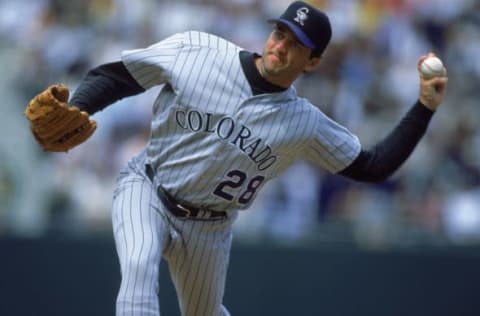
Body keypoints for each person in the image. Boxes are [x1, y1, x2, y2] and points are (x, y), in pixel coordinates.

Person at [63, 1, 447, 315]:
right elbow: (119, 76)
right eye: (279, 33)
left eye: (294, 43)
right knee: (137, 268)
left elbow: (373, 165)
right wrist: (77, 109)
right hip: (147, 186)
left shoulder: (304, 123)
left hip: (210, 227)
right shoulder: (200, 51)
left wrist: (425, 107)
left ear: (312, 62)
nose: (279, 46)